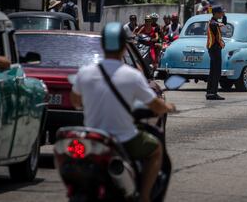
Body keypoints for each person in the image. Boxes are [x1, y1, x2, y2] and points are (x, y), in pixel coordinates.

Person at [70, 22, 176, 202]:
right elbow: (155, 105)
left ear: (103, 45)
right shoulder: (132, 75)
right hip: (124, 139)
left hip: (93, 138)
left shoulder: (85, 73)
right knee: (156, 149)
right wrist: (168, 107)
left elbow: (75, 102)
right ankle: (144, 196)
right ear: (124, 47)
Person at [206, 5, 226, 100]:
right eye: (220, 12)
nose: (222, 14)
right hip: (214, 49)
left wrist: (224, 16)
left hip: (214, 49)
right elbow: (216, 25)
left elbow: (224, 23)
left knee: (213, 71)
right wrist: (219, 24)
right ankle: (213, 93)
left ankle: (210, 92)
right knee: (216, 72)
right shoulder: (213, 23)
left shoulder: (214, 21)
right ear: (216, 13)